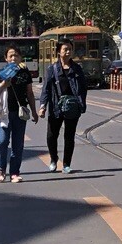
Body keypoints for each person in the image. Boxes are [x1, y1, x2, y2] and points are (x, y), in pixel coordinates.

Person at [0, 47, 39, 183]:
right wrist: (3, 84)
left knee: (18, 144)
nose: (13, 58)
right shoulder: (0, 73)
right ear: (6, 58)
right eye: (10, 56)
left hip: (20, 113)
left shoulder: (24, 73)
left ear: (20, 58)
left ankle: (15, 172)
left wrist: (34, 111)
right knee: (2, 141)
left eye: (16, 55)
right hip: (4, 113)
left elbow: (29, 93)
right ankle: (1, 169)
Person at [40, 40, 88, 174]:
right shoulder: (52, 69)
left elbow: (83, 88)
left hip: (72, 107)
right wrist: (43, 106)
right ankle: (53, 159)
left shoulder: (77, 69)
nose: (68, 52)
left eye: (70, 49)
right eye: (65, 49)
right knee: (51, 135)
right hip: (56, 106)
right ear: (58, 51)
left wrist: (81, 103)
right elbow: (46, 89)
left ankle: (66, 164)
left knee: (69, 136)